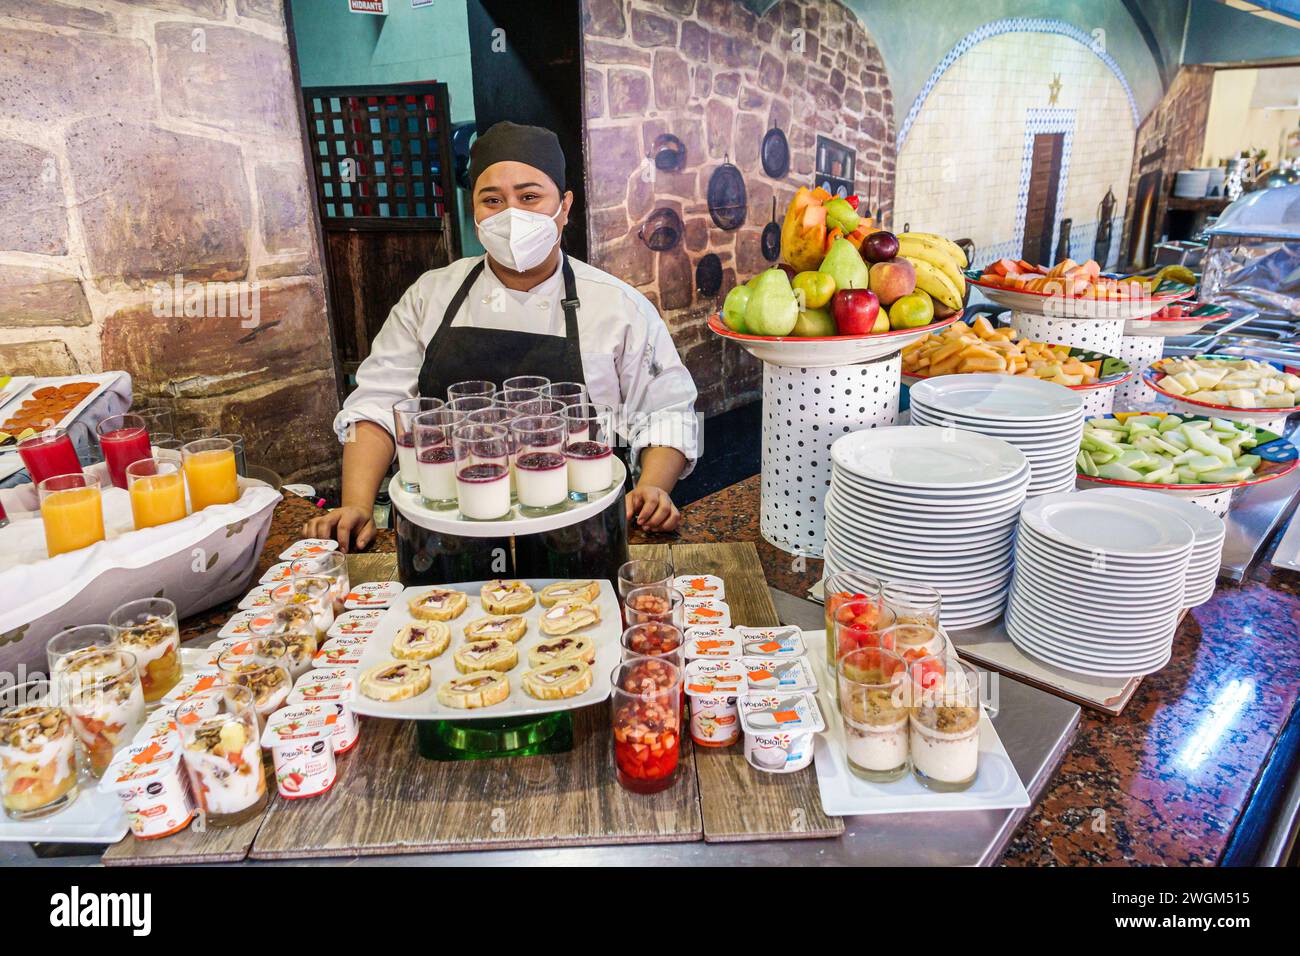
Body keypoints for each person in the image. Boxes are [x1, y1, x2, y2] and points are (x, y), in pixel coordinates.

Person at [304, 121, 699, 551]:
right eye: (492, 200)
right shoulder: (432, 295)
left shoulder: (617, 306)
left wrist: (654, 488)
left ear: (564, 207)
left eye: (530, 196)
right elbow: (377, 404)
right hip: (445, 535)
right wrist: (357, 503)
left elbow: (666, 412)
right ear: (474, 211)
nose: (512, 214)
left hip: (580, 534)